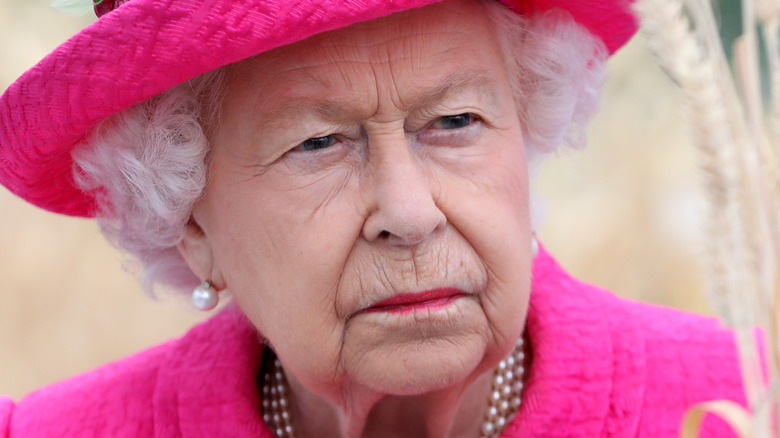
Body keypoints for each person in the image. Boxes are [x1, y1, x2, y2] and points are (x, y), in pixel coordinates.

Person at [0, 0, 748, 436]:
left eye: (455, 121)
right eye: (318, 142)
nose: (409, 213)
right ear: (189, 221)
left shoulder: (741, 407)